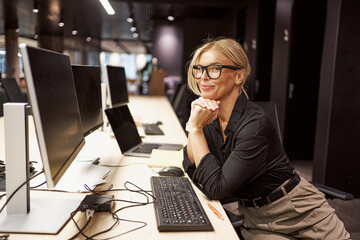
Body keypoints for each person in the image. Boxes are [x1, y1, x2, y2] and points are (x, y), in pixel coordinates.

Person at [182, 37, 350, 239]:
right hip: (256, 219)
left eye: (214, 69)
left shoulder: (255, 124)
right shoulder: (208, 116)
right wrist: (195, 126)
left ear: (238, 76)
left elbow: (216, 188)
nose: (203, 77)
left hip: (300, 212)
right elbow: (192, 168)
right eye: (199, 69)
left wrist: (195, 128)